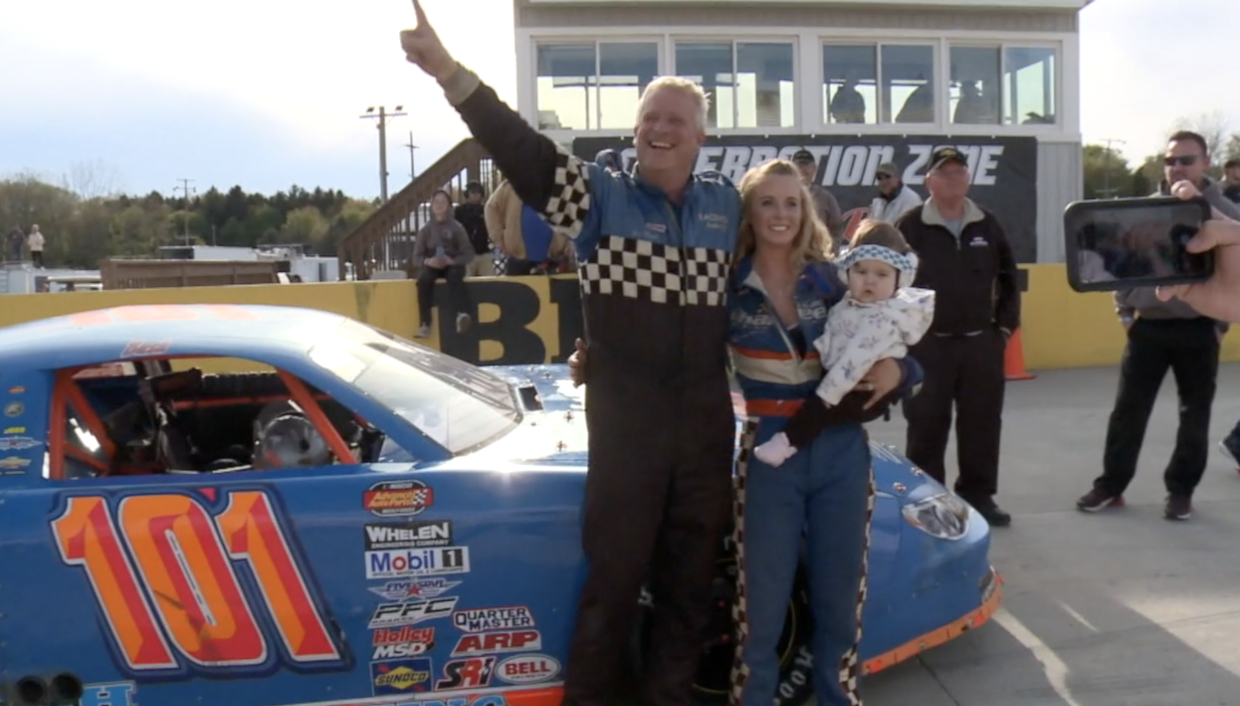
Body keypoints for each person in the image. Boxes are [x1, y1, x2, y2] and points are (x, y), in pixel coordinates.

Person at [403, 5, 742, 704]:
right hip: (628, 427)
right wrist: (448, 72)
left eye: (676, 120)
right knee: (613, 588)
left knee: (688, 589)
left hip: (707, 426)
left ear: (702, 137)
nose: (659, 129)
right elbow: (519, 149)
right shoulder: (600, 196)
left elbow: (789, 267)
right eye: (650, 117)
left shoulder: (727, 207)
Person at [566, 159, 923, 706]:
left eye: (791, 202)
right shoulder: (723, 286)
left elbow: (895, 331)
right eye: (768, 202)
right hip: (767, 453)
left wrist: (904, 372)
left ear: (805, 211)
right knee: (759, 611)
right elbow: (662, 340)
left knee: (839, 606)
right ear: (747, 212)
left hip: (841, 452)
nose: (781, 213)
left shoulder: (831, 277)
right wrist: (597, 357)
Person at [895, 146, 1021, 527]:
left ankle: (979, 497)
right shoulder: (910, 225)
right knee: (926, 425)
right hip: (928, 346)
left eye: (959, 172)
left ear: (967, 178)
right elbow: (891, 281)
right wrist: (905, 339)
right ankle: (928, 501)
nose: (953, 178)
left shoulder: (987, 224)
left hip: (980, 343)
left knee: (982, 423)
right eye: (944, 172)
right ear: (929, 180)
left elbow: (1010, 280)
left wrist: (1002, 330)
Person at [753, 219, 935, 467]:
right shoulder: (847, 300)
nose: (869, 280)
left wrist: (901, 371)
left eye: (881, 274)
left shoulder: (879, 313)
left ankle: (788, 441)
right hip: (786, 408)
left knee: (819, 414)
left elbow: (914, 362)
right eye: (861, 272)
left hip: (846, 397)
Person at [412, 189, 474, 337]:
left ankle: (462, 315)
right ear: (432, 206)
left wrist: (452, 261)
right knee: (423, 280)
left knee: (455, 276)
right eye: (436, 202)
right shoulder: (425, 230)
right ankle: (425, 324)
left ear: (449, 206)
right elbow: (416, 257)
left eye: (443, 202)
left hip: (452, 263)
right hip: (432, 264)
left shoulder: (457, 228)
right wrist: (428, 261)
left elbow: (468, 254)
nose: (439, 205)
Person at [791, 149, 844, 249]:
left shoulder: (825, 197)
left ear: (814, 168)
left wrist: (831, 251)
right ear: (792, 169)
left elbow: (837, 228)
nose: (803, 169)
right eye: (799, 166)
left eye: (807, 165)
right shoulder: (782, 195)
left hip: (816, 256)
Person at [455, 181, 494, 277]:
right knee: (467, 282)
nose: (475, 195)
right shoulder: (459, 211)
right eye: (472, 192)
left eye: (478, 192)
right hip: (466, 254)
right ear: (467, 194)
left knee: (489, 282)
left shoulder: (486, 209)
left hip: (483, 251)